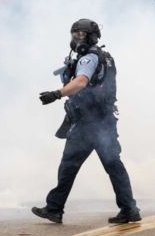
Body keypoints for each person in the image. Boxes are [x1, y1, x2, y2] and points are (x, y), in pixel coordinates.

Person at [32, 19, 141, 224]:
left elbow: (81, 82)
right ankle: (129, 209)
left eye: (81, 34)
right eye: (75, 34)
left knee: (69, 164)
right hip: (104, 121)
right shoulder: (104, 57)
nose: (76, 38)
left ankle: (54, 208)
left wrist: (57, 94)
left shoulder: (88, 59)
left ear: (91, 37)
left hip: (88, 122)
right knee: (113, 164)